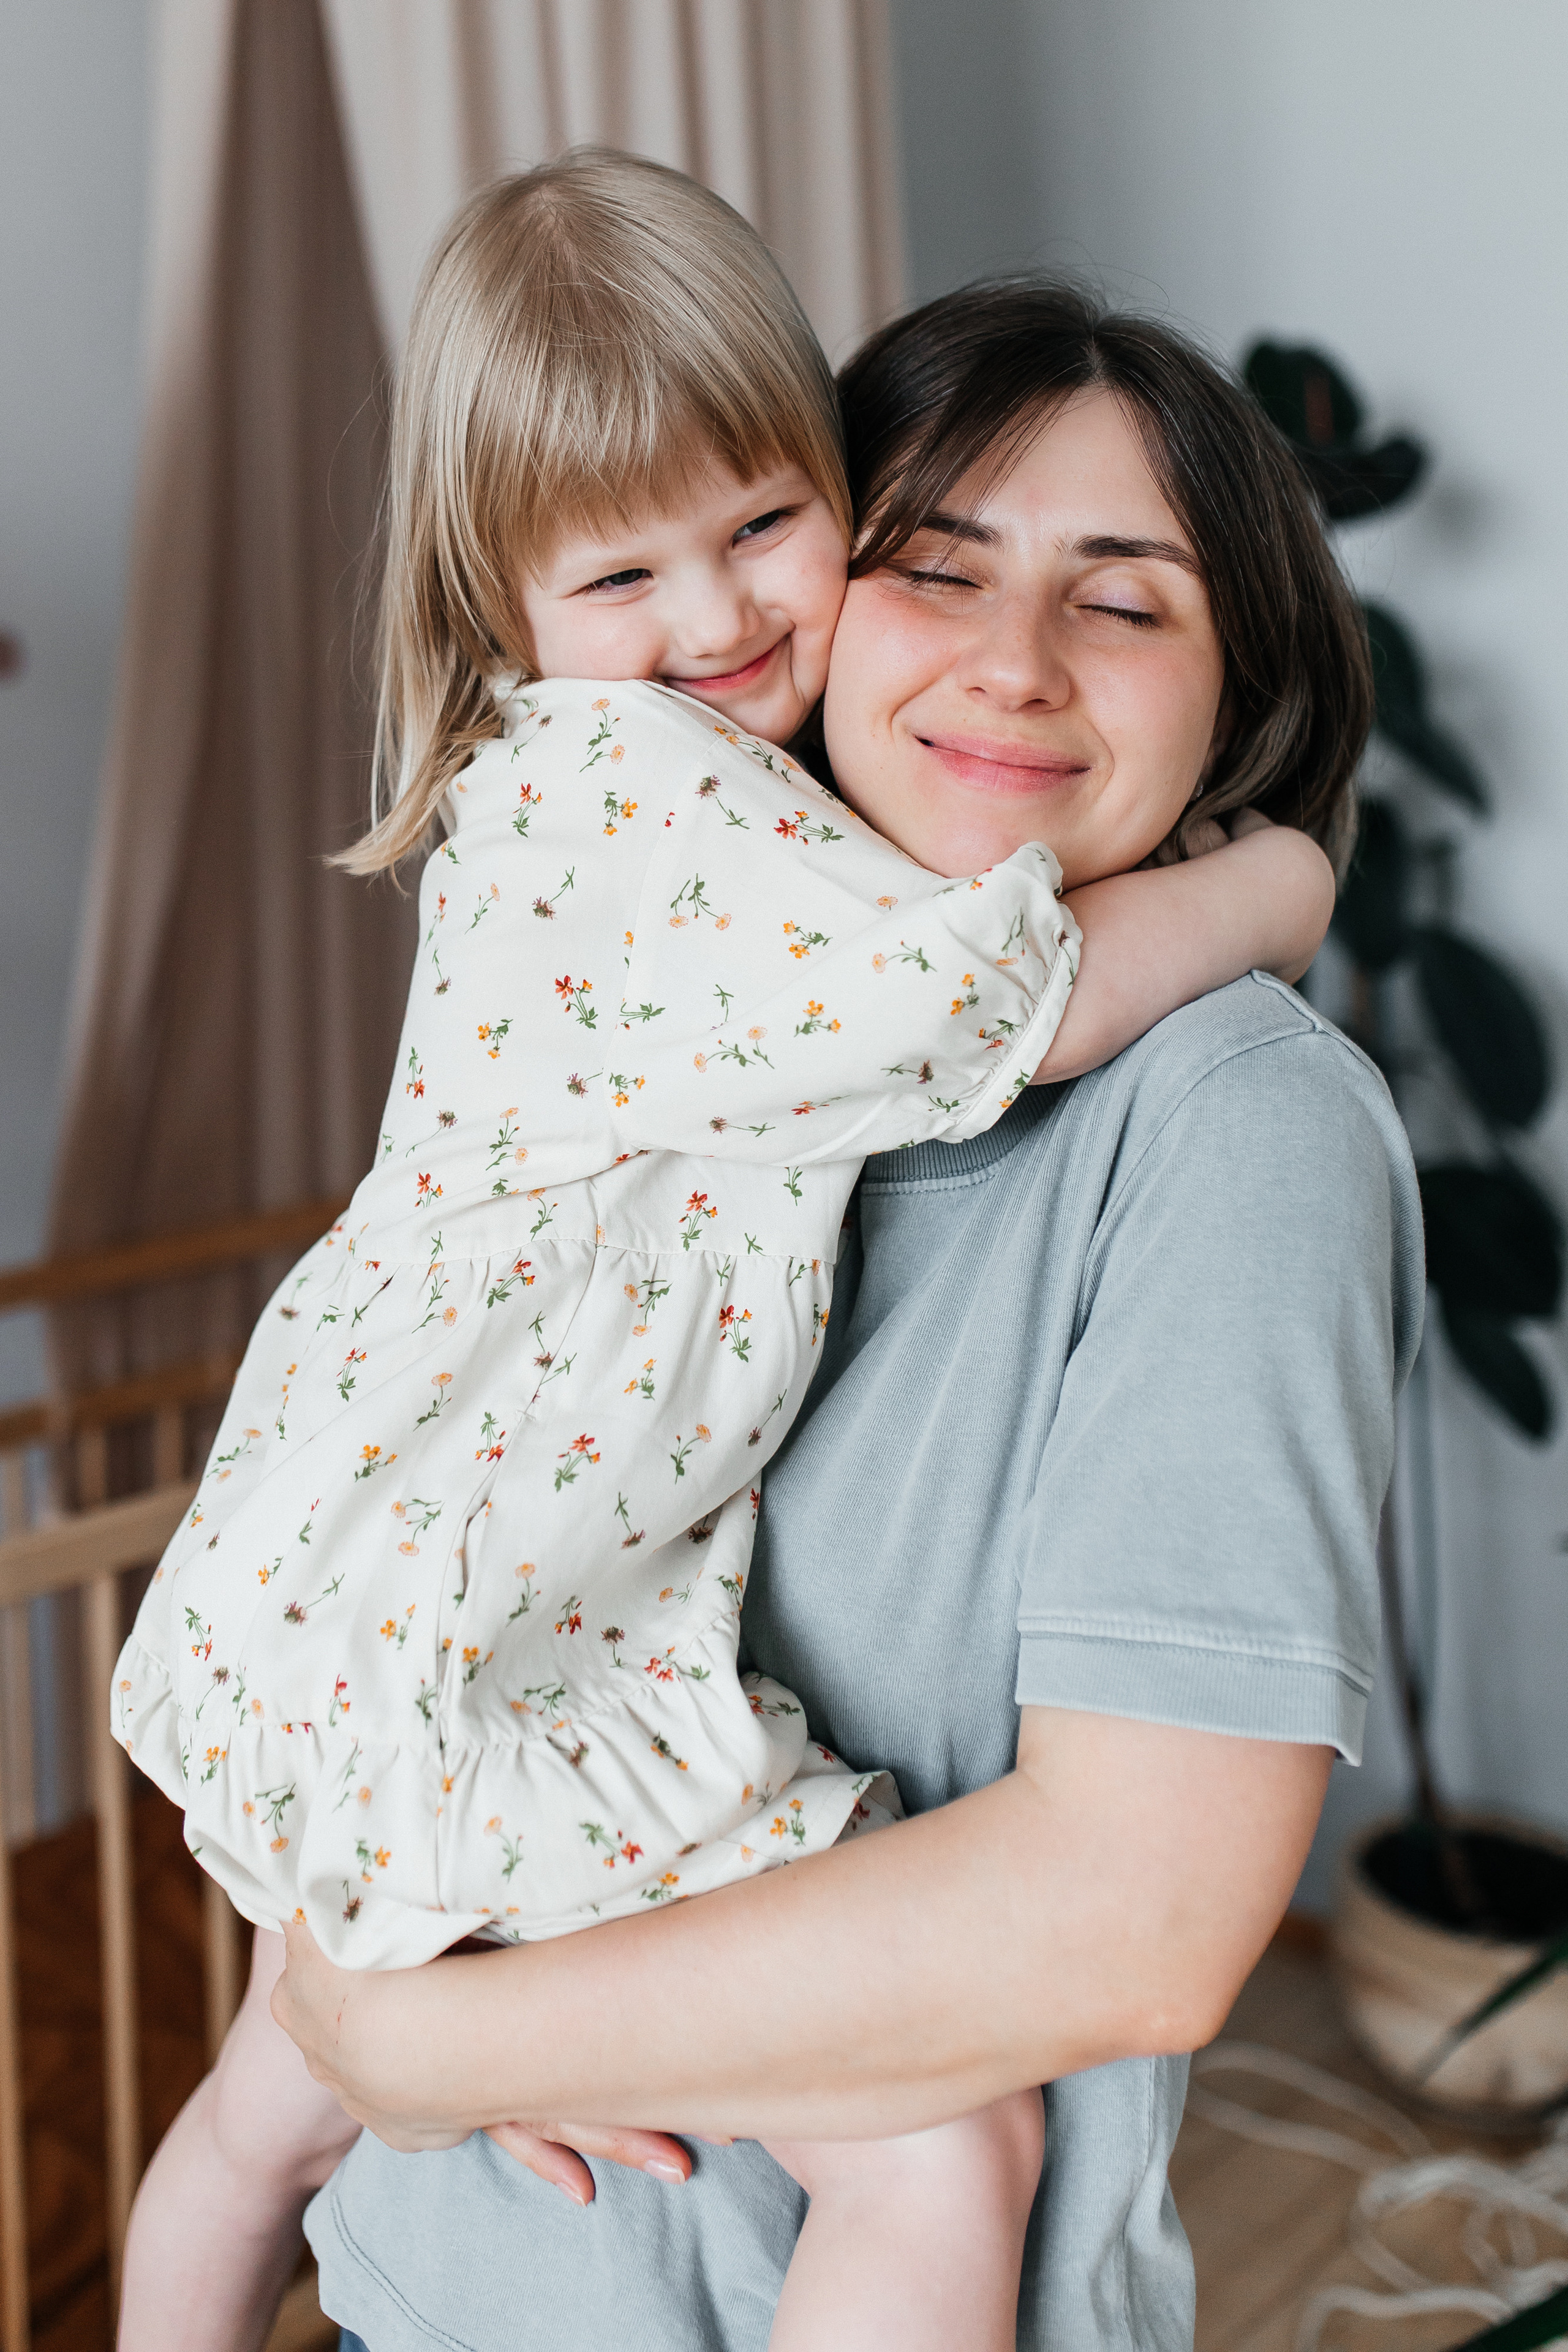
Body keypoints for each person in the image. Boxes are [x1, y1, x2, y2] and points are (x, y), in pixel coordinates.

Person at [116, 160, 1342, 2352]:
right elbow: (999, 1002)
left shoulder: (1228, 1122)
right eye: (933, 564)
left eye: (1126, 599)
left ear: (1245, 662)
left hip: (398, 1691)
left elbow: (1136, 1918)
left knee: (265, 2120)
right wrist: (1279, 887)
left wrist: (429, 2040)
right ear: (509, 606)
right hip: (427, 2195)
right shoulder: (706, 861)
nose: (716, 624)